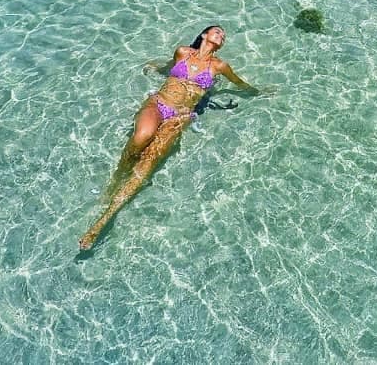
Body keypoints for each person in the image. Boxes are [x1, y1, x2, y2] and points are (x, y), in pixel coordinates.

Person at [78, 25, 254, 250]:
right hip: (158, 104)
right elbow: (169, 68)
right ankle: (115, 180)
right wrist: (154, 67)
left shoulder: (220, 66)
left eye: (224, 36)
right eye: (217, 32)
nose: (222, 36)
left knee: (147, 165)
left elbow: (240, 84)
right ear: (204, 35)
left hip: (179, 118)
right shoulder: (182, 52)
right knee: (141, 137)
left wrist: (258, 92)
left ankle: (101, 223)